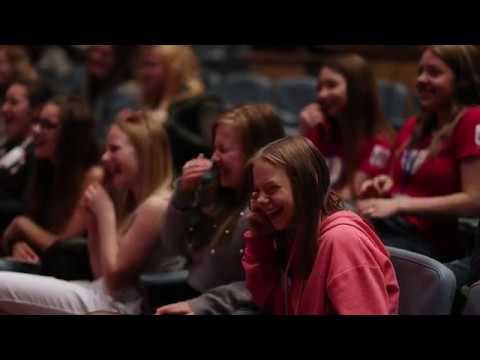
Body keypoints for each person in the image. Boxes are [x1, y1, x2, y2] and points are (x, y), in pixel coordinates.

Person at [0, 110, 184, 314]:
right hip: (100, 293)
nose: (105, 158)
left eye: (114, 149)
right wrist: (94, 219)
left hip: (117, 307)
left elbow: (114, 282)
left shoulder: (156, 206)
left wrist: (105, 214)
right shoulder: (137, 201)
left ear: (143, 152)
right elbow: (101, 274)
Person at [243, 136, 399, 315]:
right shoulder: (295, 234)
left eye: (272, 189)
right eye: (256, 192)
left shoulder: (343, 241)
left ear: (309, 184)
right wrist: (260, 242)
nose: (261, 200)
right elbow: (271, 304)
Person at [155, 104, 285, 315]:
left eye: (223, 150)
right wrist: (184, 193)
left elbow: (263, 282)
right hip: (192, 298)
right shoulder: (214, 192)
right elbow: (172, 244)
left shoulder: (269, 210)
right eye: (214, 149)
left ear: (256, 153)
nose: (214, 158)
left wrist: (201, 306)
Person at [357, 45, 480, 263]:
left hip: (430, 241)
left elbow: (474, 200)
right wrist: (382, 187)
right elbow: (399, 185)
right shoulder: (413, 125)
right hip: (394, 228)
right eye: (420, 71)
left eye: (434, 72)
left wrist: (399, 205)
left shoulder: (472, 120)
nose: (421, 79)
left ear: (461, 80)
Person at [1, 95, 101, 267]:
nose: (36, 130)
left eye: (47, 125)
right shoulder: (43, 167)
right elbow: (33, 233)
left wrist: (22, 224)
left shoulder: (93, 176)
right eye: (37, 122)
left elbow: (65, 250)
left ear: (71, 135)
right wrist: (18, 245)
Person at [300, 53, 395, 202]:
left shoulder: (379, 144)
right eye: (319, 87)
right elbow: (294, 180)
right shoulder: (320, 130)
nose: (322, 94)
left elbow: (350, 197)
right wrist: (303, 134)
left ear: (356, 89)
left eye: (331, 85)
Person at [0, 80, 52, 234]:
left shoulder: (37, 153)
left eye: (13, 103)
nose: (4, 108)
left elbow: (29, 206)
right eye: (5, 101)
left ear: (36, 111)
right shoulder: (6, 144)